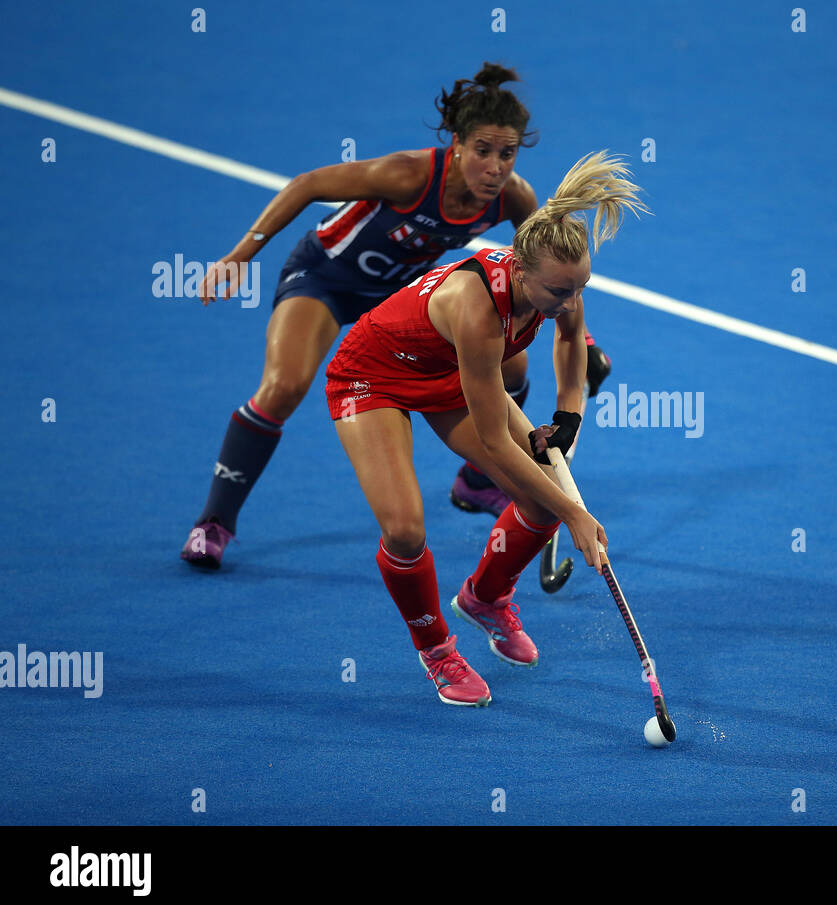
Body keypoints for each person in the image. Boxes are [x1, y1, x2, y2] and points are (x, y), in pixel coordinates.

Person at [181, 63, 612, 568]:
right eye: (483, 151)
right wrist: (241, 253)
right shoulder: (409, 174)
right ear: (456, 143)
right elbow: (306, 184)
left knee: (511, 364)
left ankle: (476, 481)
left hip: (400, 298)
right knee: (283, 388)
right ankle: (214, 522)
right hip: (326, 279)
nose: (496, 167)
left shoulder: (515, 197)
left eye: (508, 154)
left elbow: (537, 271)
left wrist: (581, 343)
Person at [324, 151, 647, 706]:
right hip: (371, 376)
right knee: (404, 530)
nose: (571, 303)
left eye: (579, 289)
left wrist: (567, 420)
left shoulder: (559, 280)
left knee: (540, 498)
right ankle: (437, 652)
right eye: (560, 294)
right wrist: (577, 513)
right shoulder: (477, 311)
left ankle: (485, 597)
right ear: (520, 272)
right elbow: (495, 443)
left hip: (447, 370)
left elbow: (571, 342)